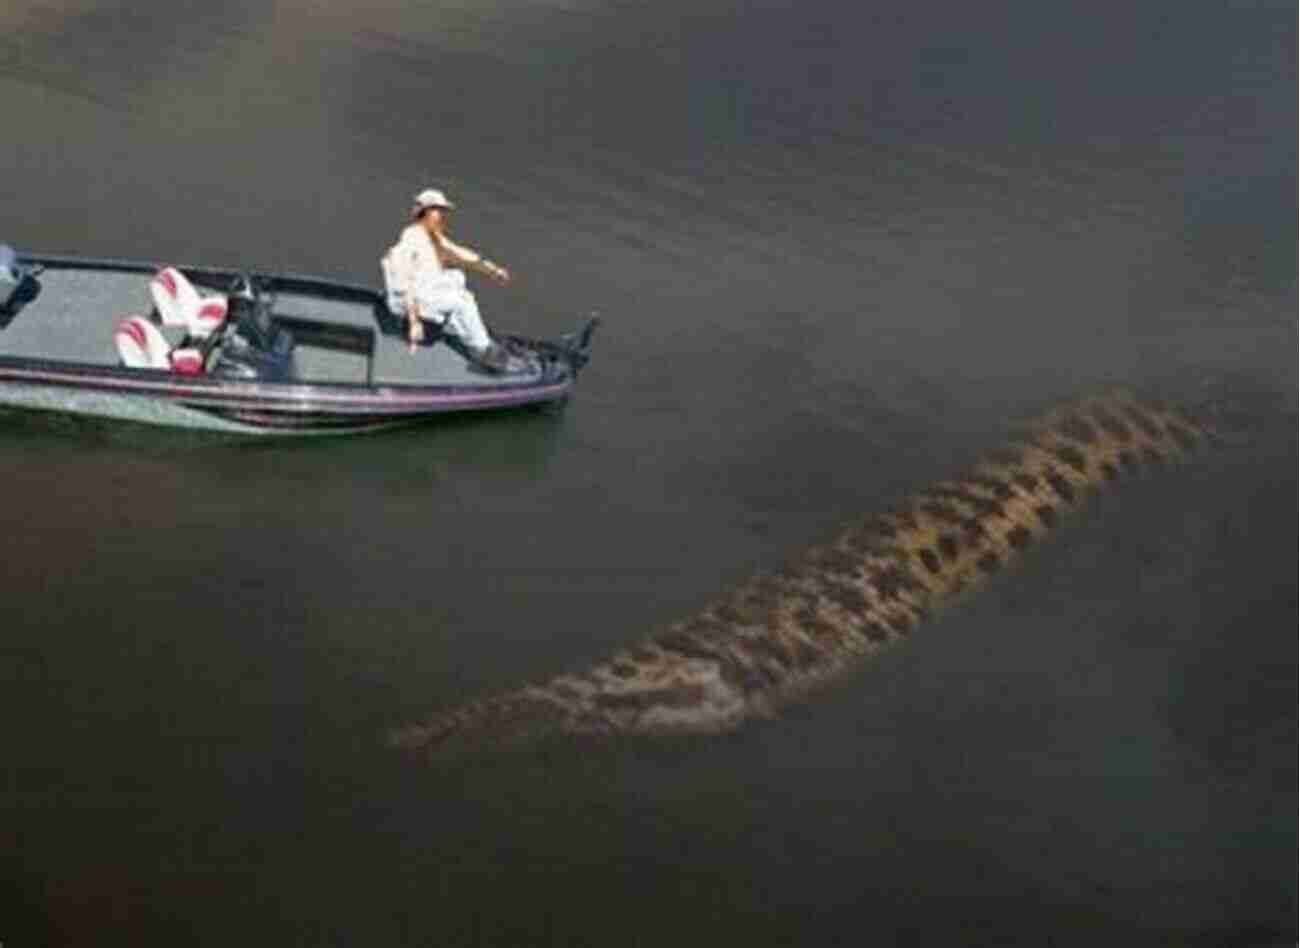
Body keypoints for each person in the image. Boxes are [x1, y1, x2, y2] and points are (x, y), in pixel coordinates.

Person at [381, 188, 513, 368]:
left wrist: (492, 270)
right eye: (437, 210)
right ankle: (482, 350)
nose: (442, 215)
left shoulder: (431, 237)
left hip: (418, 294)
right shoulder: (413, 240)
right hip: (406, 302)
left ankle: (464, 329)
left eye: (442, 211)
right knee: (462, 303)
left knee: (456, 278)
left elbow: (461, 254)